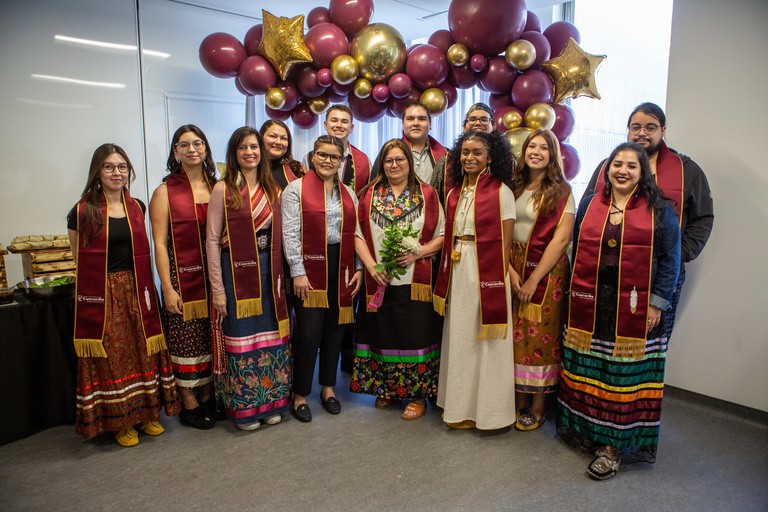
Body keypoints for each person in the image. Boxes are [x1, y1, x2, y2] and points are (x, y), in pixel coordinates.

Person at [558, 142, 681, 480]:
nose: (622, 170)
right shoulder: (591, 203)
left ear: (643, 173)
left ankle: (613, 449)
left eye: (631, 165)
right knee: (595, 369)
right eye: (617, 164)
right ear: (607, 169)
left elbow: (672, 258)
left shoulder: (659, 210)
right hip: (592, 300)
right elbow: (574, 246)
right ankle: (592, 433)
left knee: (623, 377)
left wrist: (657, 302)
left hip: (637, 306)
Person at [67, 143, 180, 447]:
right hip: (104, 294)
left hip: (137, 289)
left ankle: (145, 415)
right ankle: (121, 422)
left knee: (144, 352)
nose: (116, 173)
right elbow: (79, 258)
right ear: (97, 171)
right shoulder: (82, 211)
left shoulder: (138, 206)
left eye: (121, 167)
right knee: (115, 358)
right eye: (109, 167)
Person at [582, 102, 713, 340]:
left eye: (650, 127)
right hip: (605, 272)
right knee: (603, 338)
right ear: (628, 130)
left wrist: (677, 254)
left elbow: (702, 218)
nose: (642, 132)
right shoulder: (608, 166)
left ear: (663, 130)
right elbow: (588, 209)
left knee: (649, 338)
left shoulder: (687, 170)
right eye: (636, 127)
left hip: (658, 272)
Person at [351, 139, 445, 420]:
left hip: (415, 280)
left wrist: (418, 254)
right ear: (382, 163)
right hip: (379, 279)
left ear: (409, 163)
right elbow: (356, 235)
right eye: (389, 160)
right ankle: (388, 389)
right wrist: (370, 266)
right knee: (383, 334)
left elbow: (442, 235)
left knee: (415, 335)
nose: (394, 165)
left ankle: (417, 396)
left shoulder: (428, 194)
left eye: (400, 160)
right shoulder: (368, 195)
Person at [205, 127, 291, 431]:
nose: (249, 152)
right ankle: (245, 409)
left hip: (270, 271)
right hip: (236, 274)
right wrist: (218, 290)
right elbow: (212, 241)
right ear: (235, 152)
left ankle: (271, 401)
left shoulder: (273, 190)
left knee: (271, 335)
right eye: (243, 148)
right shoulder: (223, 189)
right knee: (242, 337)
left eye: (254, 147)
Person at [434, 130, 517, 430]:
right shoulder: (455, 192)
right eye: (465, 152)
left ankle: (488, 412)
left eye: (477, 152)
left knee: (485, 343)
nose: (469, 157)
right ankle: (457, 407)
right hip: (457, 267)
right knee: (459, 339)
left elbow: (505, 244)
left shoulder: (501, 192)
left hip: (486, 271)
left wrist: (496, 276)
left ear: (490, 156)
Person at [283, 135, 363, 422]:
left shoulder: (349, 193)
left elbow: (355, 234)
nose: (328, 161)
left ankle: (328, 388)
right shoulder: (295, 190)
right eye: (322, 155)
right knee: (308, 333)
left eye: (334, 157)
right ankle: (300, 393)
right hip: (309, 268)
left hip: (340, 267)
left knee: (335, 330)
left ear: (342, 161)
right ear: (312, 157)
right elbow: (290, 234)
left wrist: (359, 269)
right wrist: (298, 271)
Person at [149, 125, 218, 430]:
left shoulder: (219, 186)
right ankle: (188, 401)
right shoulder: (165, 191)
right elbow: (160, 244)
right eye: (184, 145)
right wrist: (167, 287)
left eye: (198, 143)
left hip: (215, 274)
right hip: (182, 277)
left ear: (206, 149)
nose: (192, 149)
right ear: (175, 152)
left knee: (209, 335)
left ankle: (207, 394)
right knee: (185, 338)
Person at [509, 130, 575, 431]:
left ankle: (537, 405)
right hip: (513, 265)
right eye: (531, 146)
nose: (536, 152)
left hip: (547, 273)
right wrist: (510, 272)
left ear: (553, 155)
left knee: (538, 337)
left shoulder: (562, 191)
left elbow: (561, 240)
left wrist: (533, 279)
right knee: (515, 336)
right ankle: (517, 398)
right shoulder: (515, 185)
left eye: (544, 148)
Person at [431, 102, 496, 203]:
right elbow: (433, 199)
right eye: (472, 119)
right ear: (464, 126)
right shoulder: (446, 161)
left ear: (493, 126)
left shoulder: (508, 161)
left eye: (484, 119)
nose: (478, 123)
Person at [303, 105, 372, 195]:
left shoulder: (364, 161)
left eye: (344, 121)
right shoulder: (309, 159)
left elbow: (368, 196)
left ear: (351, 128)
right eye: (334, 120)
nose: (339, 125)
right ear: (325, 125)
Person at [371, 103, 447, 184]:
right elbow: (375, 187)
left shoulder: (446, 155)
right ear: (403, 125)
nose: (416, 123)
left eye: (422, 119)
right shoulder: (388, 153)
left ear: (430, 125)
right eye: (410, 119)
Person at [259, 119, 305, 190]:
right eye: (273, 136)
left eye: (283, 138)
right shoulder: (250, 167)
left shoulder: (296, 168)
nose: (278, 142)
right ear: (260, 138)